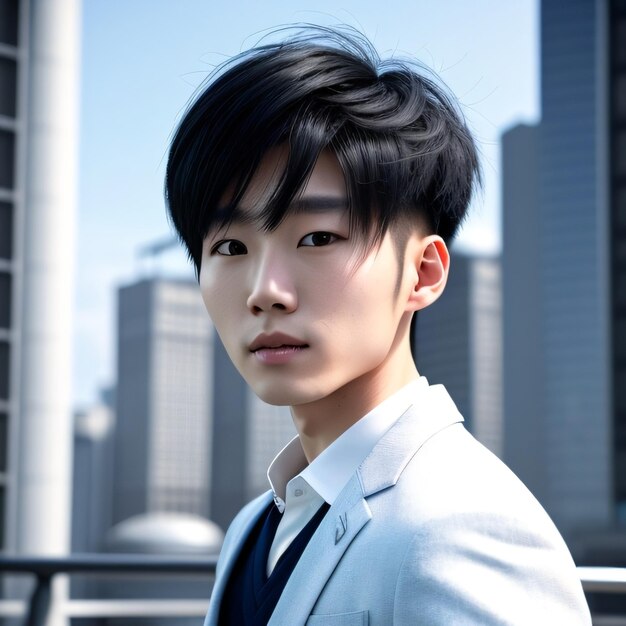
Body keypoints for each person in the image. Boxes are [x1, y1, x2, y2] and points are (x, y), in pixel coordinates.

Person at [165, 27, 591, 625]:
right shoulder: (253, 529)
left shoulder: (460, 530)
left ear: (422, 272)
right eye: (230, 246)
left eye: (317, 237)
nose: (265, 291)